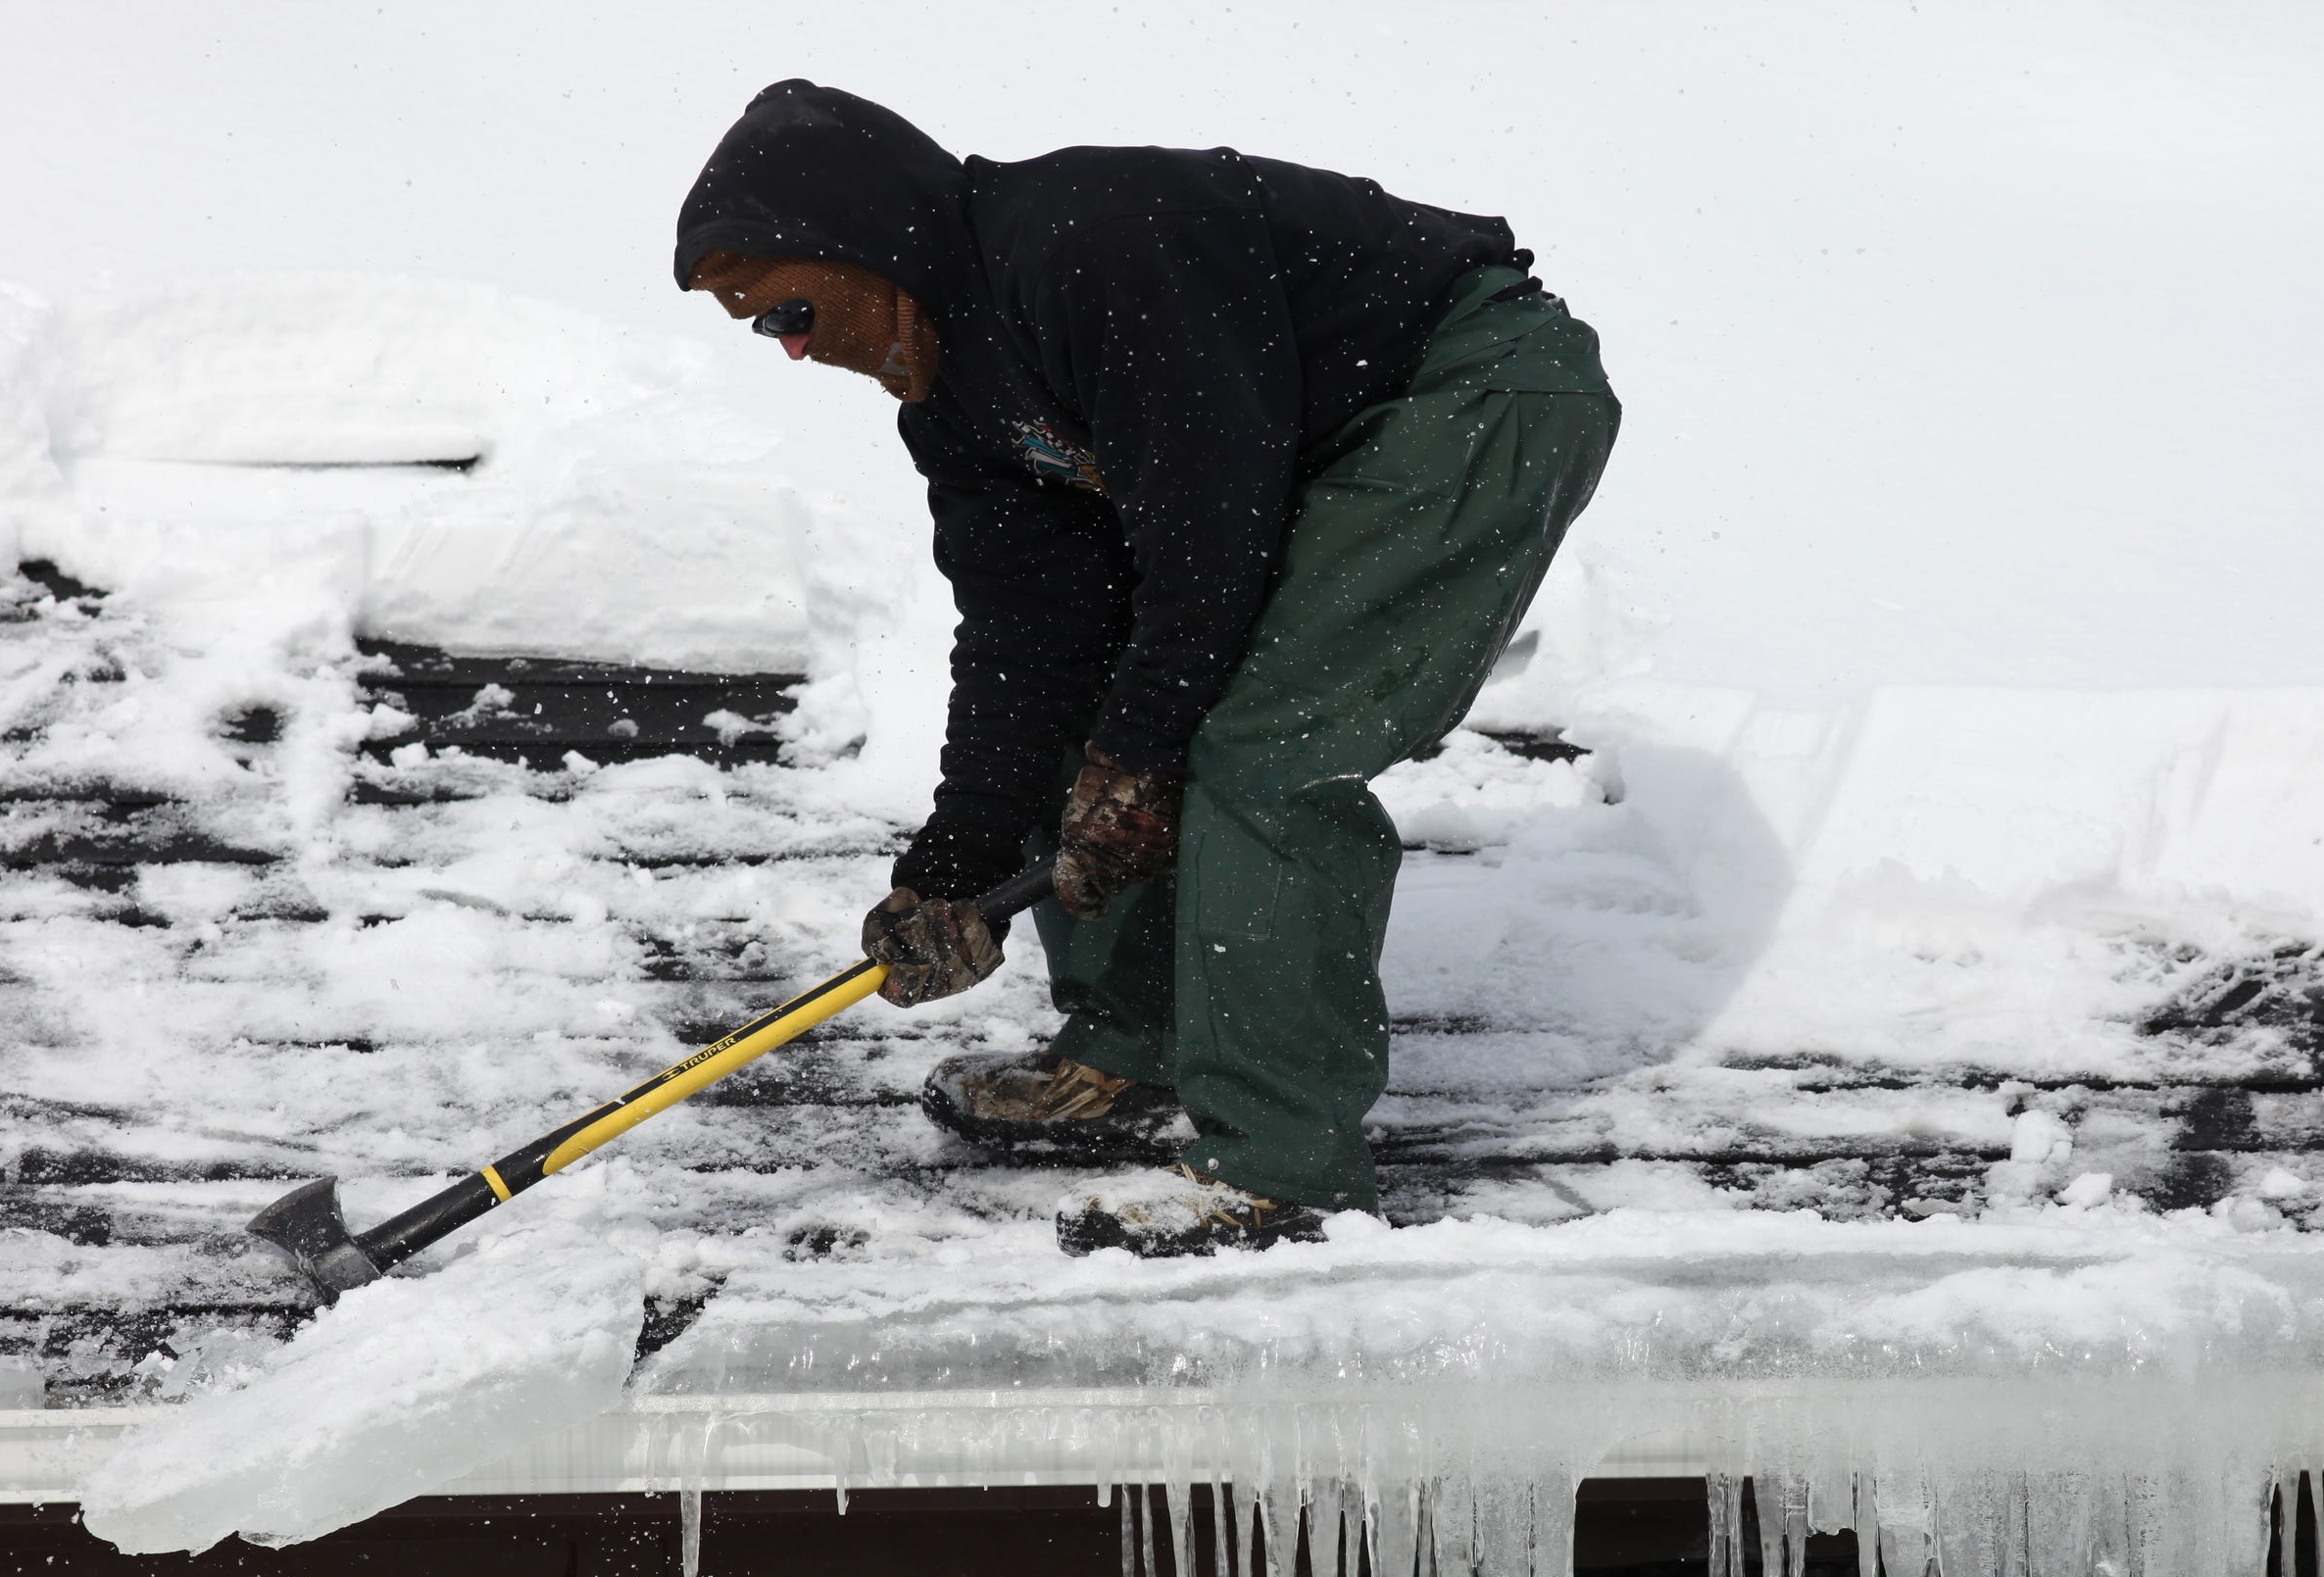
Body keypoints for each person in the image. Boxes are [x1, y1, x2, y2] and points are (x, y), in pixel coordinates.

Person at [674, 82, 1618, 1257]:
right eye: (766, 333)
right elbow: (1029, 640)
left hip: (1464, 393)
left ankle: (1284, 1171)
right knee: (1101, 708)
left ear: (866, 241)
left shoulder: (1084, 241)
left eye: (787, 310)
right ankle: (1131, 1044)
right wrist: (960, 858)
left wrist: (1140, 755)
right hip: (1302, 450)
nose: (796, 349)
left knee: (1263, 751)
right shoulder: (954, 401)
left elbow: (1209, 539)